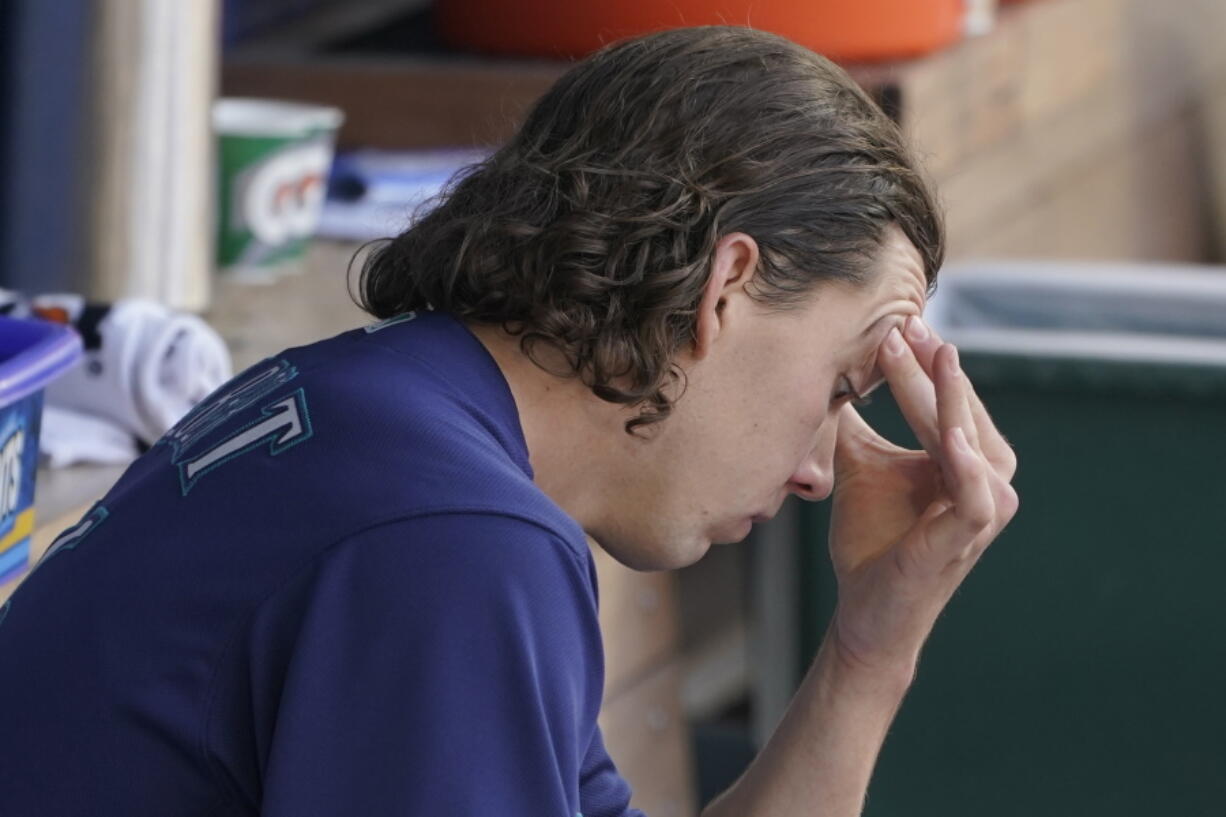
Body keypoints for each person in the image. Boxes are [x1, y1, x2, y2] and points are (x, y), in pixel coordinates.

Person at [0, 25, 1017, 817]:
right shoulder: (454, 540)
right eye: (841, 384)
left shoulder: (386, 411)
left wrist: (870, 645)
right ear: (727, 289)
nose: (818, 471)